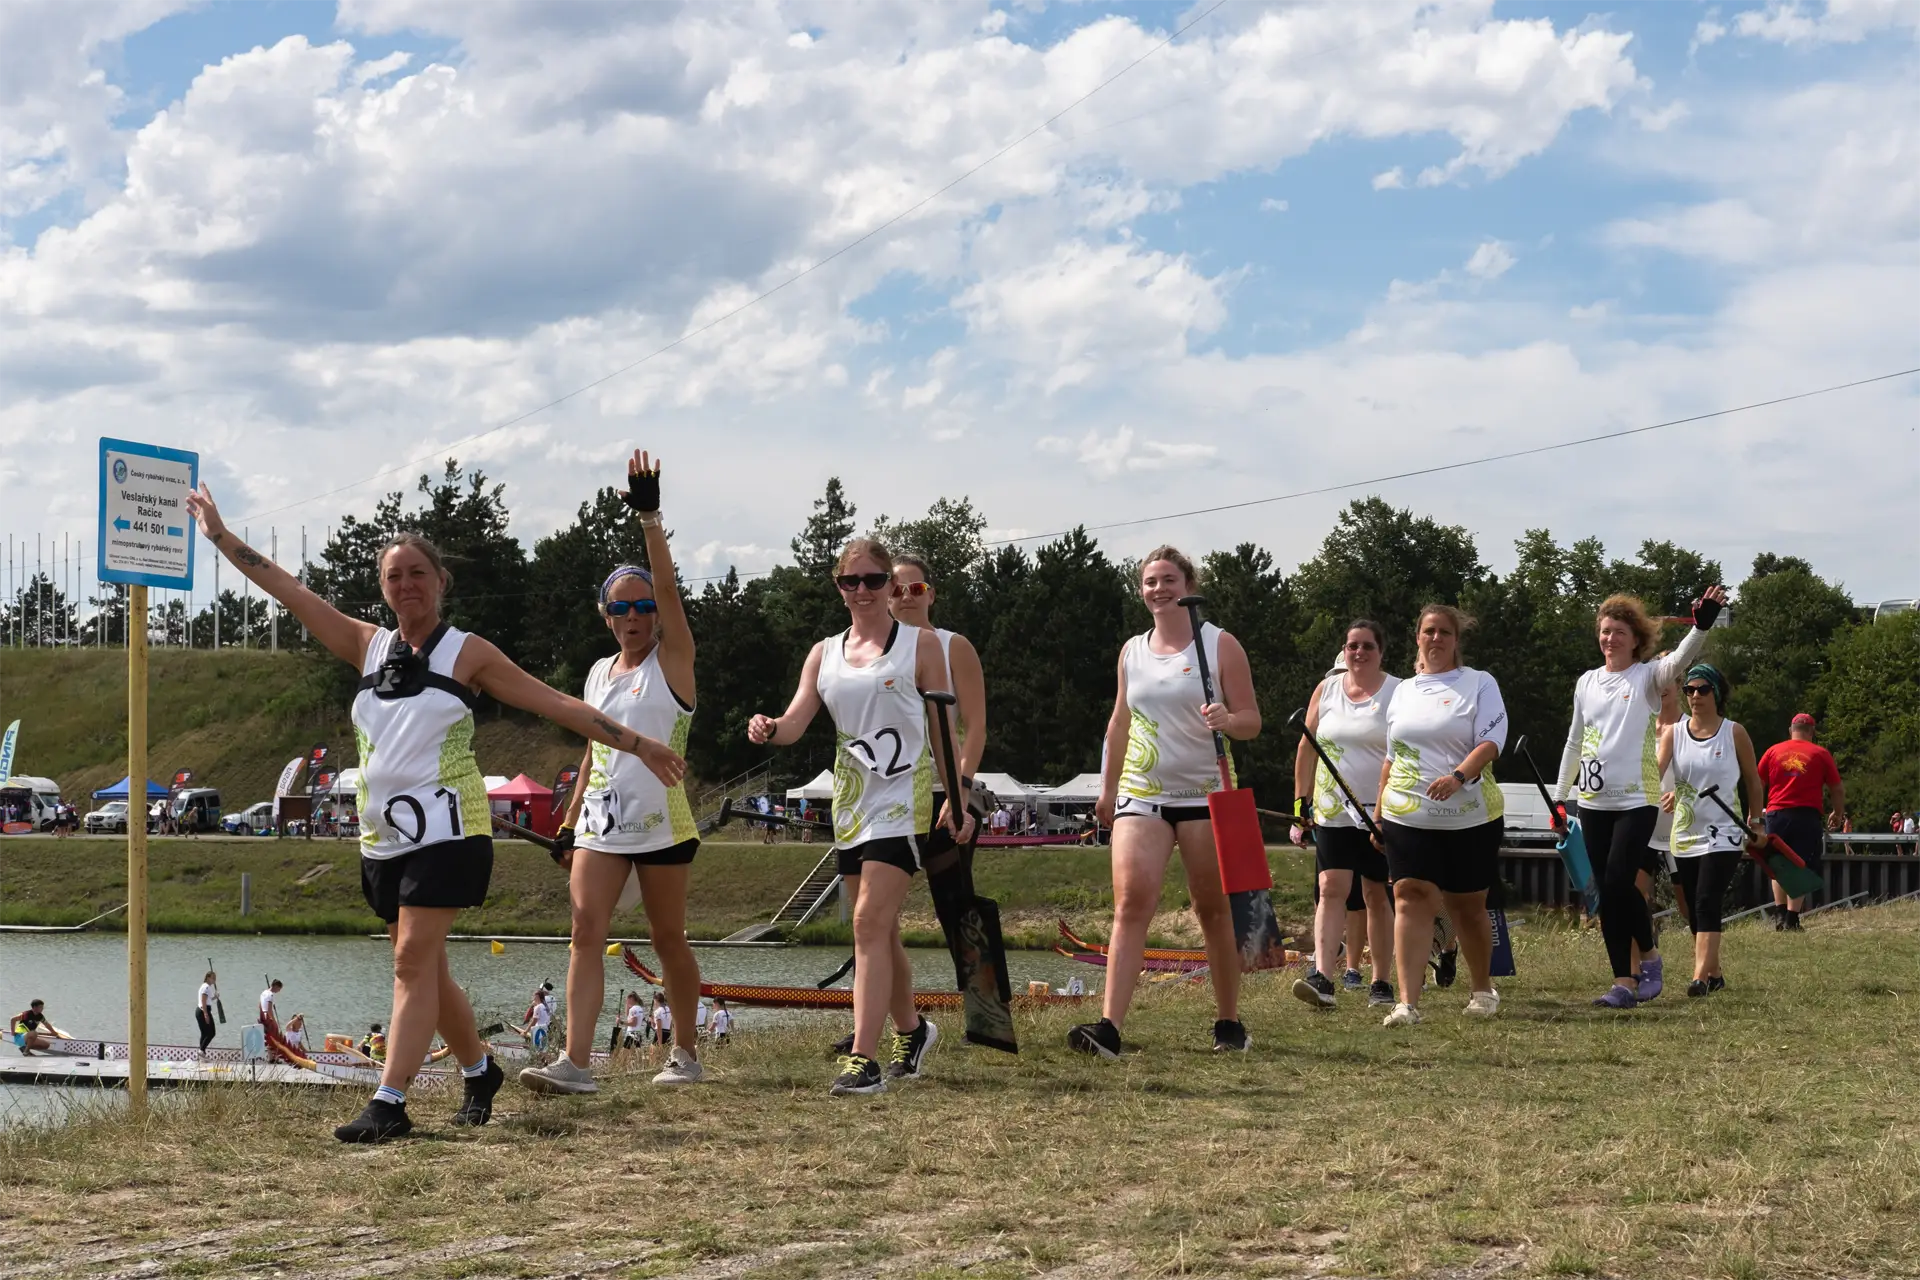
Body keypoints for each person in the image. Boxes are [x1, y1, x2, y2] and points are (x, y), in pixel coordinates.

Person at [186, 484, 686, 1144]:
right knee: (424, 964)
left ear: (440, 582)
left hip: (450, 832)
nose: (407, 584)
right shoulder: (363, 644)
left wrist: (641, 743)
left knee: (411, 958)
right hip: (382, 839)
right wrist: (220, 536)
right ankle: (479, 1071)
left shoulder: (466, 652)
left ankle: (389, 1102)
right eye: (394, 576)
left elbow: (556, 705)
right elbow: (287, 589)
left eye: (418, 573)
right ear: (383, 588)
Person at [748, 537, 968, 1097]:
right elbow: (797, 721)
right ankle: (913, 1031)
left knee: (868, 921)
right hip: (851, 800)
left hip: (904, 796)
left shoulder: (921, 645)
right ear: (839, 586)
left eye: (875, 581)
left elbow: (944, 730)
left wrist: (959, 798)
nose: (865, 591)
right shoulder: (824, 652)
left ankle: (862, 1059)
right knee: (878, 928)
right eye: (853, 582)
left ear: (892, 587)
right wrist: (770, 727)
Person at [522, 451, 707, 1097]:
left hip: (664, 821)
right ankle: (576, 1062)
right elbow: (594, 753)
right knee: (584, 933)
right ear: (604, 615)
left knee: (666, 938)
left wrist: (651, 518)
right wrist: (569, 822)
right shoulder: (600, 672)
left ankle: (684, 1049)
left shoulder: (673, 659)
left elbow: (672, 591)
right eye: (620, 608)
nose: (634, 617)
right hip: (601, 822)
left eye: (643, 607)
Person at [1069, 546, 1262, 1058]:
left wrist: (1228, 720)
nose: (1160, 588)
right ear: (1141, 590)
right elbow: (1119, 721)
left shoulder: (1220, 645)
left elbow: (1251, 721)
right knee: (1132, 903)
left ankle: (1228, 1023)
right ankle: (1109, 1027)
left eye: (1169, 579)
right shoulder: (1132, 650)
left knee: (1212, 910)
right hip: (1142, 791)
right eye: (1151, 581)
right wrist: (1107, 789)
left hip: (1206, 794)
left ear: (1188, 584)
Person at [1553, 588, 1726, 1008]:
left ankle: (1648, 955)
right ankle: (1623, 983)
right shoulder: (1586, 683)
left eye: (1618, 632)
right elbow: (1575, 742)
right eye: (1604, 631)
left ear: (1635, 639)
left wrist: (1702, 626)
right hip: (1592, 801)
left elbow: (1679, 661)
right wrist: (1560, 800)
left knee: (1617, 880)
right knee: (1604, 893)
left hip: (1638, 798)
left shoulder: (1648, 677)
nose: (1609, 638)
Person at [1375, 604, 1507, 1027]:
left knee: (1466, 906)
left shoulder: (1479, 683)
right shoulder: (1403, 691)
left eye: (1444, 632)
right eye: (1428, 631)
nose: (1436, 639)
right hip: (1406, 813)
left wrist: (1458, 776)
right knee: (1409, 897)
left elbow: (1491, 742)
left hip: (1469, 814)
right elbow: (1391, 758)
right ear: (1418, 637)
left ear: (1455, 640)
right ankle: (1407, 1003)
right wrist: (1379, 812)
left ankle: (1483, 989)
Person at [1291, 622, 1400, 1011]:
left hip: (1380, 810)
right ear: (1344, 650)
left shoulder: (1398, 692)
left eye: (1367, 646)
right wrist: (1300, 802)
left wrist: (1391, 810)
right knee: (1331, 887)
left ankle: (1382, 981)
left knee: (1375, 892)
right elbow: (1307, 746)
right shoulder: (1327, 689)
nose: (1359, 653)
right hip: (1331, 808)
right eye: (1353, 646)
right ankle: (1322, 977)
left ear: (1381, 651)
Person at [1658, 664, 1765, 997]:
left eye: (1702, 689)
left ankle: (1699, 978)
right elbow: (1653, 774)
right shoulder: (1674, 734)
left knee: (1707, 900)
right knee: (1691, 904)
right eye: (1689, 690)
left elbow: (1752, 780)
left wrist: (1756, 821)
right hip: (1685, 833)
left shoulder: (1734, 732)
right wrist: (1673, 791)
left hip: (1724, 832)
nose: (1694, 696)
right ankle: (1715, 973)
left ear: (1716, 693)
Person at [1757, 714, 1847, 930]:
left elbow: (1757, 782)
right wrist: (1838, 812)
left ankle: (1779, 914)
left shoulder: (1773, 751)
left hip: (1776, 813)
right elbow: (1837, 788)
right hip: (1807, 815)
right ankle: (1791, 918)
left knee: (1777, 863)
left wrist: (1756, 815)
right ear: (1812, 732)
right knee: (1801, 864)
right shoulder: (1820, 753)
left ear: (1791, 730)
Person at [195, 970, 221, 1055]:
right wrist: (206, 1014)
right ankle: (201, 1050)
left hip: (201, 1010)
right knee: (211, 1032)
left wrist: (215, 997)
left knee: (204, 1033)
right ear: (208, 978)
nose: (214, 980)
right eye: (213, 978)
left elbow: (208, 999)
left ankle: (201, 1052)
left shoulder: (206, 987)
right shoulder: (206, 987)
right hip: (203, 1010)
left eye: (215, 978)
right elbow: (203, 1000)